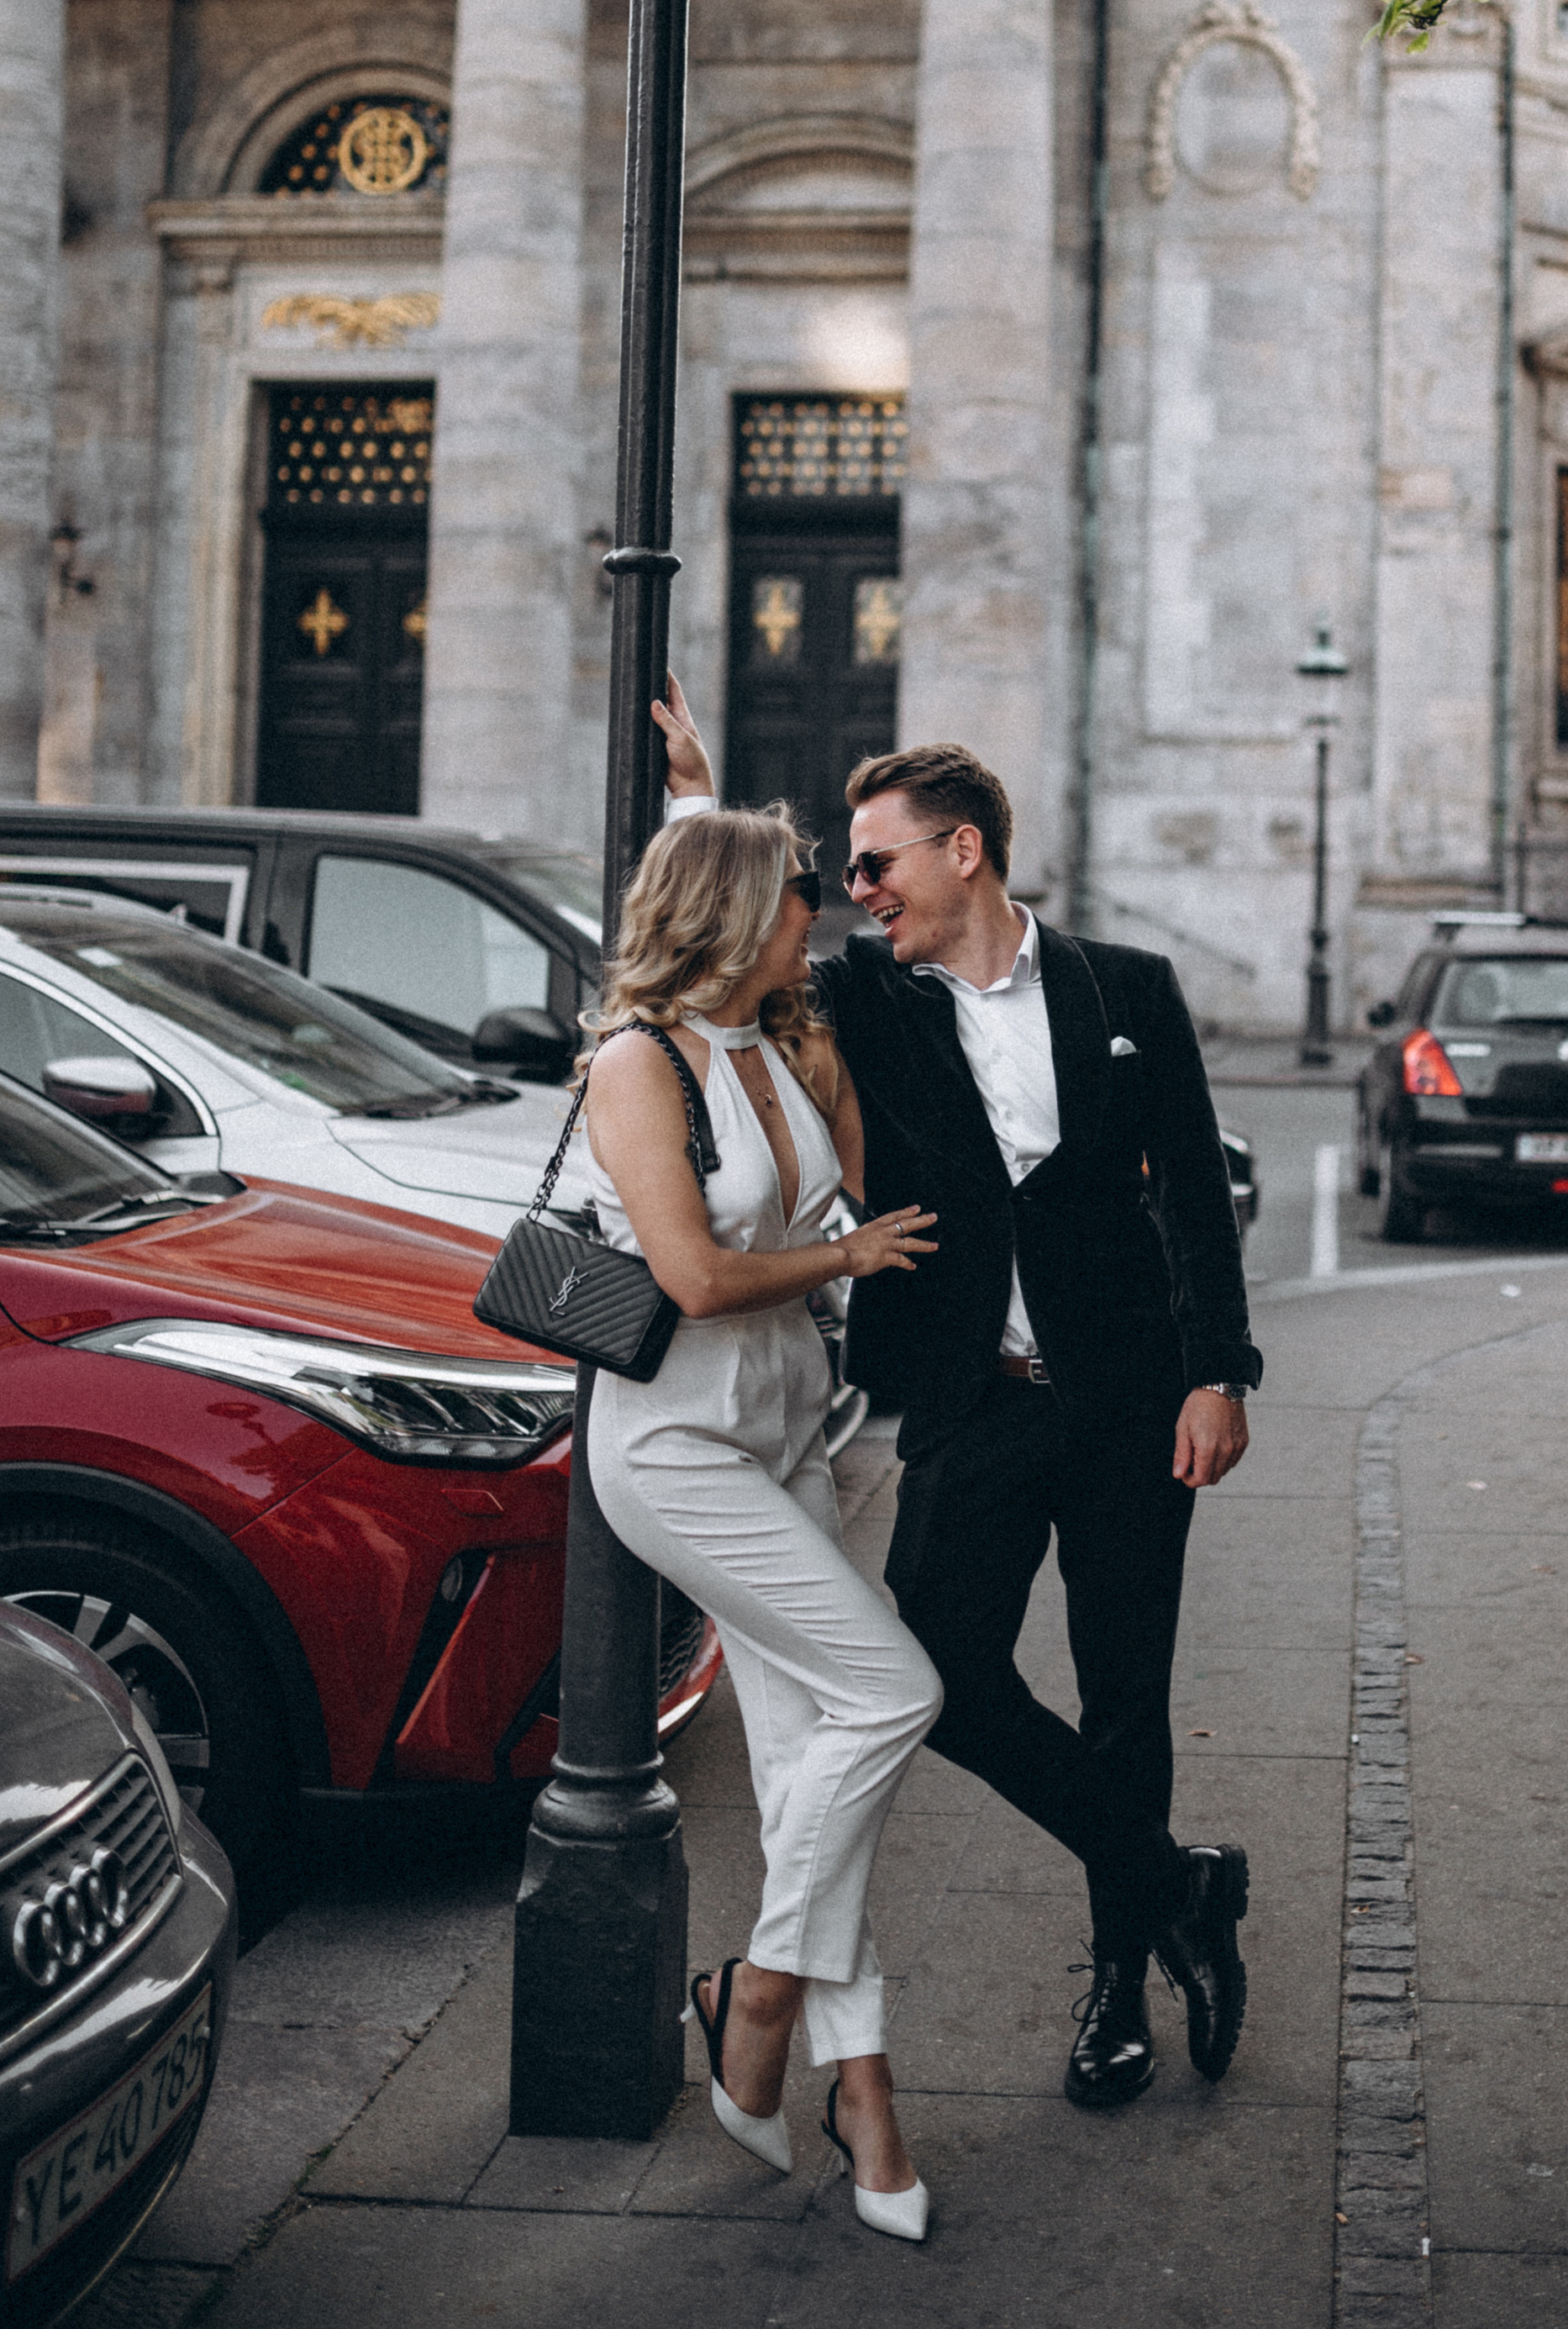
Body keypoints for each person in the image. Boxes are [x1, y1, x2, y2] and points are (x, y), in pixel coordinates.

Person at [657, 703, 1262, 2113]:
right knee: (938, 1677)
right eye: (848, 874)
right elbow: (717, 955)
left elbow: (1193, 1194)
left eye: (877, 865)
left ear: (965, 851)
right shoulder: (863, 999)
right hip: (971, 1403)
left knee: (1126, 1695)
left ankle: (1120, 1985)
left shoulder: (1126, 988)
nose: (858, 892)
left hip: (1131, 1408)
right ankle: (1176, 1885)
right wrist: (696, 806)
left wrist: (1219, 1373)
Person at [575, 796, 944, 2242]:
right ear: (736, 917)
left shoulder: (783, 1047)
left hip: (788, 1431)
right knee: (893, 1690)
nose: (824, 910)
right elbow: (694, 1277)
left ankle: (863, 2093)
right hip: (676, 1451)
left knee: (809, 1778)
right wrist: (848, 1258)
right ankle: (766, 1995)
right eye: (800, 895)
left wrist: (701, 785)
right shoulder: (638, 1063)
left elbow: (841, 1172)